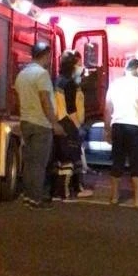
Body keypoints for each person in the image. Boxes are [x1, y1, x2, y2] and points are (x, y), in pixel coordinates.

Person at [14, 42, 65, 210]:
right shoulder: (42, 75)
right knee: (39, 164)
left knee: (29, 163)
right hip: (40, 124)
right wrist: (54, 123)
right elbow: (45, 100)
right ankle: (36, 199)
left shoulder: (22, 75)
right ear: (45, 55)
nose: (50, 59)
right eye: (49, 56)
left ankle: (28, 196)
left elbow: (18, 99)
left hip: (26, 122)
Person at [104, 58, 138, 207]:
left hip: (118, 126)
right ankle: (137, 200)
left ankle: (114, 197)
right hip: (136, 127)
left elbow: (108, 108)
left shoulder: (115, 84)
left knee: (117, 162)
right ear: (137, 69)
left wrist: (107, 129)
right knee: (137, 164)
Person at [51, 50, 93, 200]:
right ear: (71, 65)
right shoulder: (69, 84)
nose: (82, 68)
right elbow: (71, 109)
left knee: (63, 158)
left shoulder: (58, 81)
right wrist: (77, 127)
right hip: (68, 123)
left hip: (58, 122)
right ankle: (65, 192)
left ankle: (63, 190)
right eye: (79, 64)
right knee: (69, 158)